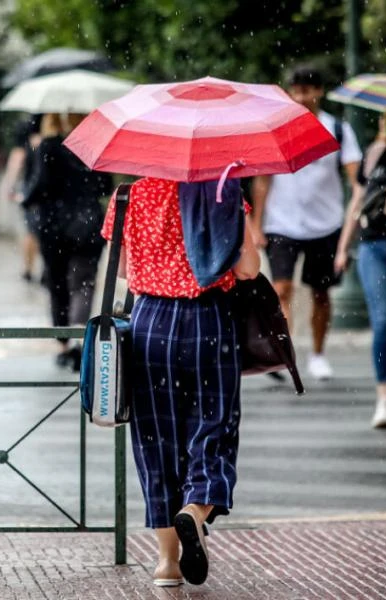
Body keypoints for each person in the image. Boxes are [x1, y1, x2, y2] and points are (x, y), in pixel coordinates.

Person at [102, 177, 260, 586]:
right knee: (214, 426)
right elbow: (248, 269)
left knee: (156, 440)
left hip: (149, 323)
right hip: (208, 319)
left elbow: (119, 268)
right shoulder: (222, 192)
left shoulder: (127, 194)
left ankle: (166, 564)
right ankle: (195, 508)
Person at [250, 66, 362, 380]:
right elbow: (263, 180)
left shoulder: (337, 129)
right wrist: (257, 224)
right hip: (282, 222)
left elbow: (355, 176)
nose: (301, 97)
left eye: (307, 90)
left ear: (318, 92)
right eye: (295, 90)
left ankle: (318, 353)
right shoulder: (277, 128)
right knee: (282, 288)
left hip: (325, 223)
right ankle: (285, 352)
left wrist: (356, 207)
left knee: (320, 293)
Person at [334, 112, 386, 429]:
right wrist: (343, 246)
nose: (385, 122)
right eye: (383, 117)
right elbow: (359, 199)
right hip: (373, 245)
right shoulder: (373, 151)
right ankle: (385, 399)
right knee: (383, 320)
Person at [23, 113, 113, 370]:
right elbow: (104, 186)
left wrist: (24, 198)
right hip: (88, 226)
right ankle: (77, 340)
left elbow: (38, 186)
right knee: (83, 284)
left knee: (57, 284)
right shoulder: (93, 145)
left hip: (54, 228)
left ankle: (64, 344)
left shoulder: (48, 147)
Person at [2, 114, 43, 282]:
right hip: (48, 191)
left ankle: (28, 268)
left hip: (30, 191)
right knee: (41, 232)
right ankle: (43, 270)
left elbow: (17, 159)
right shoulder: (52, 131)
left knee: (31, 232)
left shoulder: (26, 130)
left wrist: (9, 186)